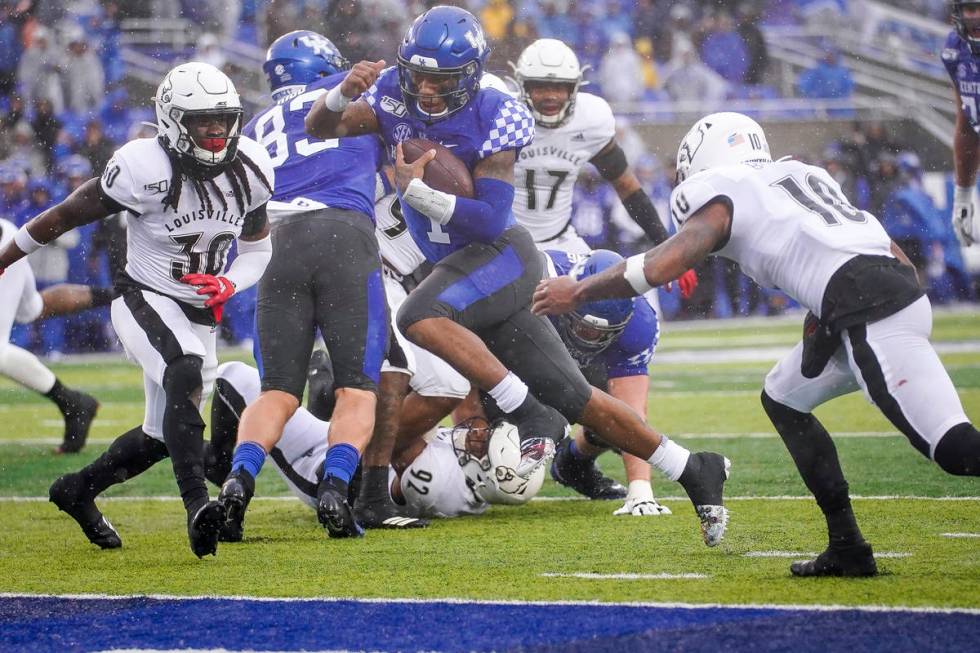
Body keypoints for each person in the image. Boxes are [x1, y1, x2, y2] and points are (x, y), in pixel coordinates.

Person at [306, 5, 731, 547]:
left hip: (501, 258)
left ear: (470, 75)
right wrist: (343, 92)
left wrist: (420, 193)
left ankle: (527, 409)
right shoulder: (394, 91)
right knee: (579, 399)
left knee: (417, 315)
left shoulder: (496, 111)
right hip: (464, 267)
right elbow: (321, 125)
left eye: (440, 79)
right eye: (418, 74)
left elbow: (489, 218)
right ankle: (695, 467)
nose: (426, 89)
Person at [532, 112, 980, 576]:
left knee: (954, 450)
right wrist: (828, 313)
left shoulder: (724, 188)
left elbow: (665, 263)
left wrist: (580, 291)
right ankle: (847, 544)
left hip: (866, 308)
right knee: (783, 397)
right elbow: (881, 246)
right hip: (872, 295)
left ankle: (850, 544)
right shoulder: (805, 174)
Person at [0, 62, 275, 558]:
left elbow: (257, 252)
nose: (216, 130)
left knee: (161, 434)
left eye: (224, 118)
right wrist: (4, 259)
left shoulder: (251, 168)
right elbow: (63, 216)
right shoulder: (143, 167)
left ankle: (77, 490)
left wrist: (227, 282)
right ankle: (197, 508)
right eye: (202, 120)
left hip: (199, 307)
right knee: (185, 376)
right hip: (143, 294)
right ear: (172, 121)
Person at [223, 30, 390, 541]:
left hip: (277, 243)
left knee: (276, 390)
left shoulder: (251, 127)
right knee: (357, 388)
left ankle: (237, 481)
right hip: (343, 233)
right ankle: (337, 487)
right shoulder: (354, 86)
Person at [209, 362, 542, 523]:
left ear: (485, 473)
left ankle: (211, 463)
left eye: (484, 446)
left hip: (323, 471)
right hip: (349, 443)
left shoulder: (441, 483)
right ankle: (325, 402)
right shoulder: (474, 481)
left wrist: (413, 380)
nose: (478, 436)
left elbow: (391, 435)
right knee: (236, 375)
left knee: (230, 377)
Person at [545, 248, 669, 516]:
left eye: (600, 332)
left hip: (583, 363)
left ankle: (572, 463)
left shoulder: (639, 324)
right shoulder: (541, 284)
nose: (589, 337)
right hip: (519, 356)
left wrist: (641, 490)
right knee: (508, 483)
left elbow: (631, 413)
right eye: (584, 326)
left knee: (611, 414)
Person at [0, 217, 105, 453]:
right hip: (9, 239)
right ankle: (73, 403)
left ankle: (74, 403)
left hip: (6, 245)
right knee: (31, 310)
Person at [944, 1, 980, 246]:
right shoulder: (955, 49)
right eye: (970, 8)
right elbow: (967, 126)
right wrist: (963, 195)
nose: (976, 17)